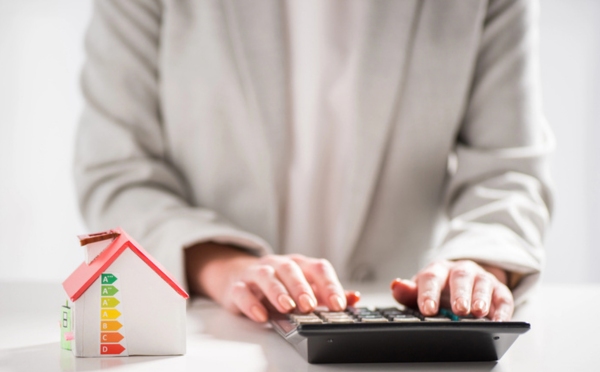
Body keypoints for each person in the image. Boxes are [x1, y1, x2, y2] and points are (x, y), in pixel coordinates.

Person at [74, 0, 553, 323]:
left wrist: (477, 265)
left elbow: (508, 170)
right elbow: (117, 171)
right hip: (212, 332)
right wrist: (223, 266)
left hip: (405, 344)